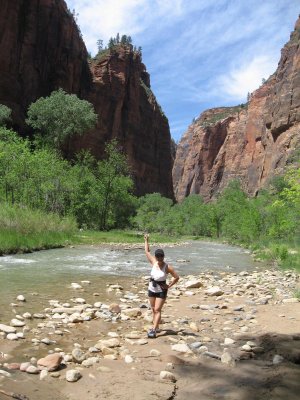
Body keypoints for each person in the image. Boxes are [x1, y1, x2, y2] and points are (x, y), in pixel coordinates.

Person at [144, 234, 179, 338]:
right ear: (156, 257)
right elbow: (147, 251)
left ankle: (154, 330)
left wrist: (169, 286)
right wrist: (146, 240)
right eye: (158, 256)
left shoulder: (168, 267)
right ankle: (157, 326)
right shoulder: (154, 262)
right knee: (153, 309)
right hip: (152, 288)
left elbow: (176, 277)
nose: (159, 258)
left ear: (163, 256)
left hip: (161, 290)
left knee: (158, 309)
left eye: (161, 256)